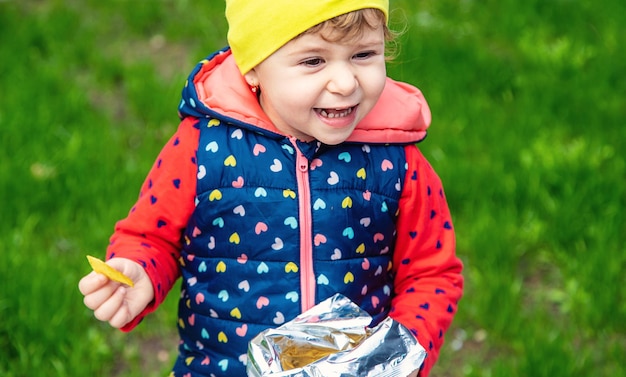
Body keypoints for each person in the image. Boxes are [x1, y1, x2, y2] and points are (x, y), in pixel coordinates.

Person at [78, 1, 464, 376]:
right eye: (313, 61)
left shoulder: (397, 162)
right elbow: (153, 237)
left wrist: (399, 355)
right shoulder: (202, 150)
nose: (346, 83)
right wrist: (140, 271)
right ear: (253, 69)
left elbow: (431, 273)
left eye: (363, 55)